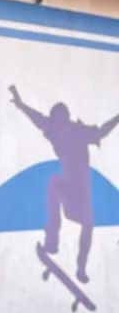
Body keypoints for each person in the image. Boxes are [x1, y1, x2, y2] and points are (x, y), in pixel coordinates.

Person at [9, 85, 119, 283]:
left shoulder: (78, 131)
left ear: (65, 120)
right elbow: (38, 119)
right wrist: (20, 104)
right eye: (56, 126)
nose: (58, 130)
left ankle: (81, 267)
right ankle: (52, 242)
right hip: (68, 189)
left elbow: (102, 131)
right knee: (54, 183)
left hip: (80, 195)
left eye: (60, 125)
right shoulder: (56, 129)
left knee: (87, 224)